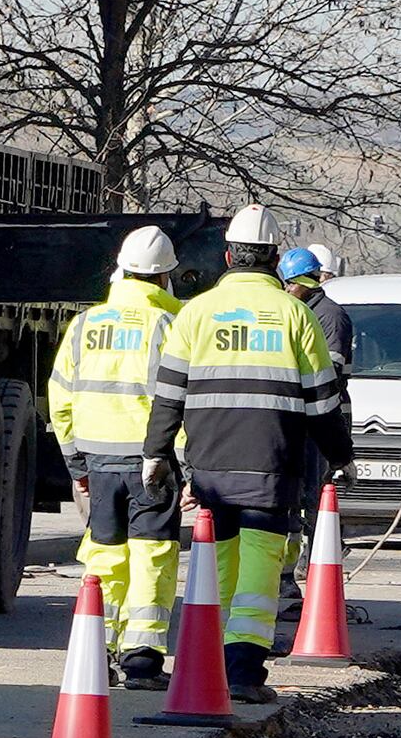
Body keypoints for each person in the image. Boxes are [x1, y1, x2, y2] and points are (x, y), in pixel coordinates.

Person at [143, 203, 346, 704]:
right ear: (275, 259)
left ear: (229, 254)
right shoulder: (297, 315)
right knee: (260, 557)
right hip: (272, 462)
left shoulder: (195, 312)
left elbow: (168, 394)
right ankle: (244, 671)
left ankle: (209, 657)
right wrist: (340, 455)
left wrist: (156, 453)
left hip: (208, 463)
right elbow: (323, 400)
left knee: (220, 558)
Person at [45, 227, 186, 687]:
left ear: (120, 271)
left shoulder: (85, 324)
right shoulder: (170, 325)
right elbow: (181, 402)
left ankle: (96, 648)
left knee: (104, 556)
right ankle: (142, 659)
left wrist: (75, 465)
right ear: (166, 278)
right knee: (152, 555)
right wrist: (184, 464)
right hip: (152, 461)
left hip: (98, 460)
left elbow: (60, 397)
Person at [274, 242, 347, 378]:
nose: (287, 289)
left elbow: (332, 368)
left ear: (307, 283)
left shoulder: (331, 316)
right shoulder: (295, 312)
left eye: (291, 283)